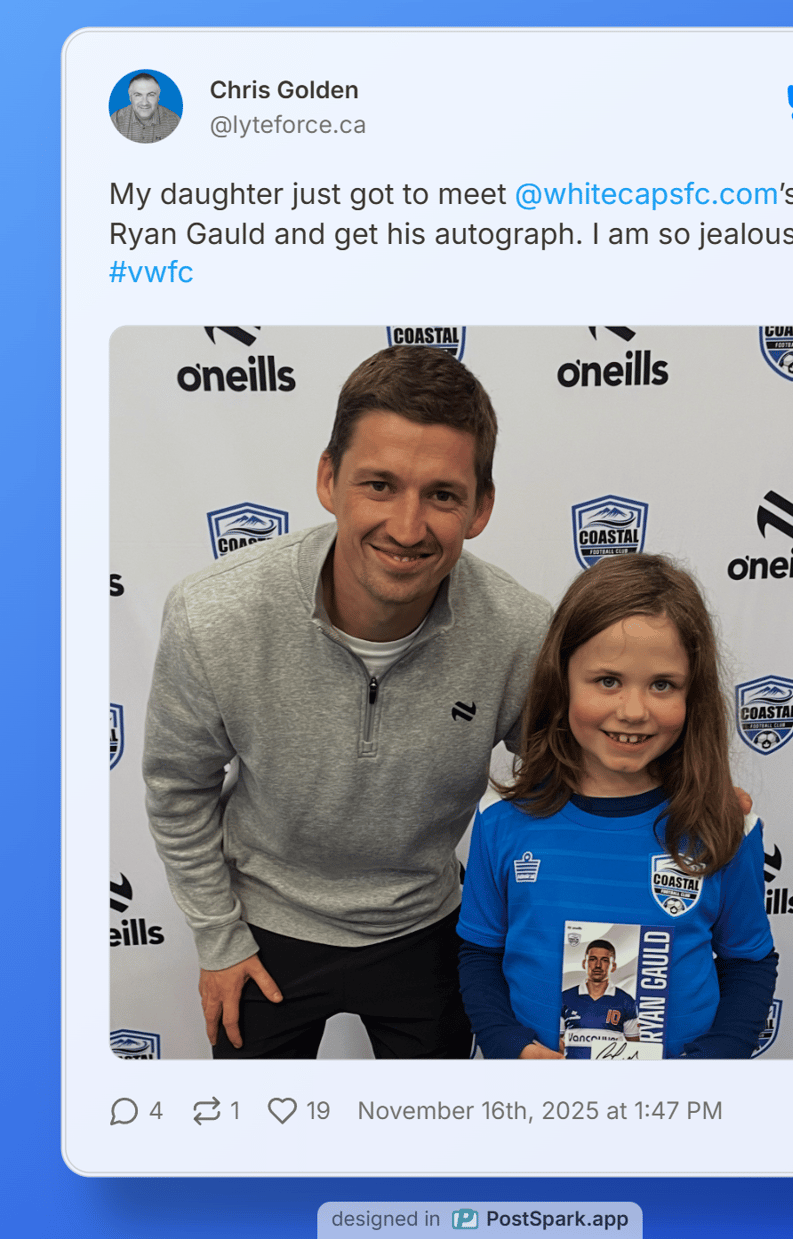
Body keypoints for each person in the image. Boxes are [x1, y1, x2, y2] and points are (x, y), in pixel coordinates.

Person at [143, 346, 552, 1058]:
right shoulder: (214, 614)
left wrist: (679, 802)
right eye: (380, 485)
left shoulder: (521, 633)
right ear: (329, 479)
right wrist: (217, 940)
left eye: (442, 495)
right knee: (257, 1166)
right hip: (261, 934)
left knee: (426, 1166)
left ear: (481, 508)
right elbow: (178, 789)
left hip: (429, 930)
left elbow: (571, 778)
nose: (407, 525)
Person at [457, 553, 778, 1059]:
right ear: (560, 680)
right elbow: (479, 953)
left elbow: (749, 961)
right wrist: (511, 1048)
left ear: (693, 695)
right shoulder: (501, 820)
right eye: (607, 680)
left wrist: (714, 1062)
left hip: (678, 1117)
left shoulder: (725, 826)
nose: (633, 710)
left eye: (663, 684)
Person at [560, 939, 640, 1059]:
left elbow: (635, 1047)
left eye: (605, 960)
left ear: (613, 966)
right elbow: (556, 1042)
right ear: (584, 964)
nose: (598, 965)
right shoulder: (565, 998)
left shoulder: (626, 1001)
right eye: (592, 959)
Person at [111, 73, 180, 143]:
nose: (144, 103)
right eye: (138, 95)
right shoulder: (116, 121)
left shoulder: (174, 121)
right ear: (130, 97)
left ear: (158, 97)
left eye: (151, 95)